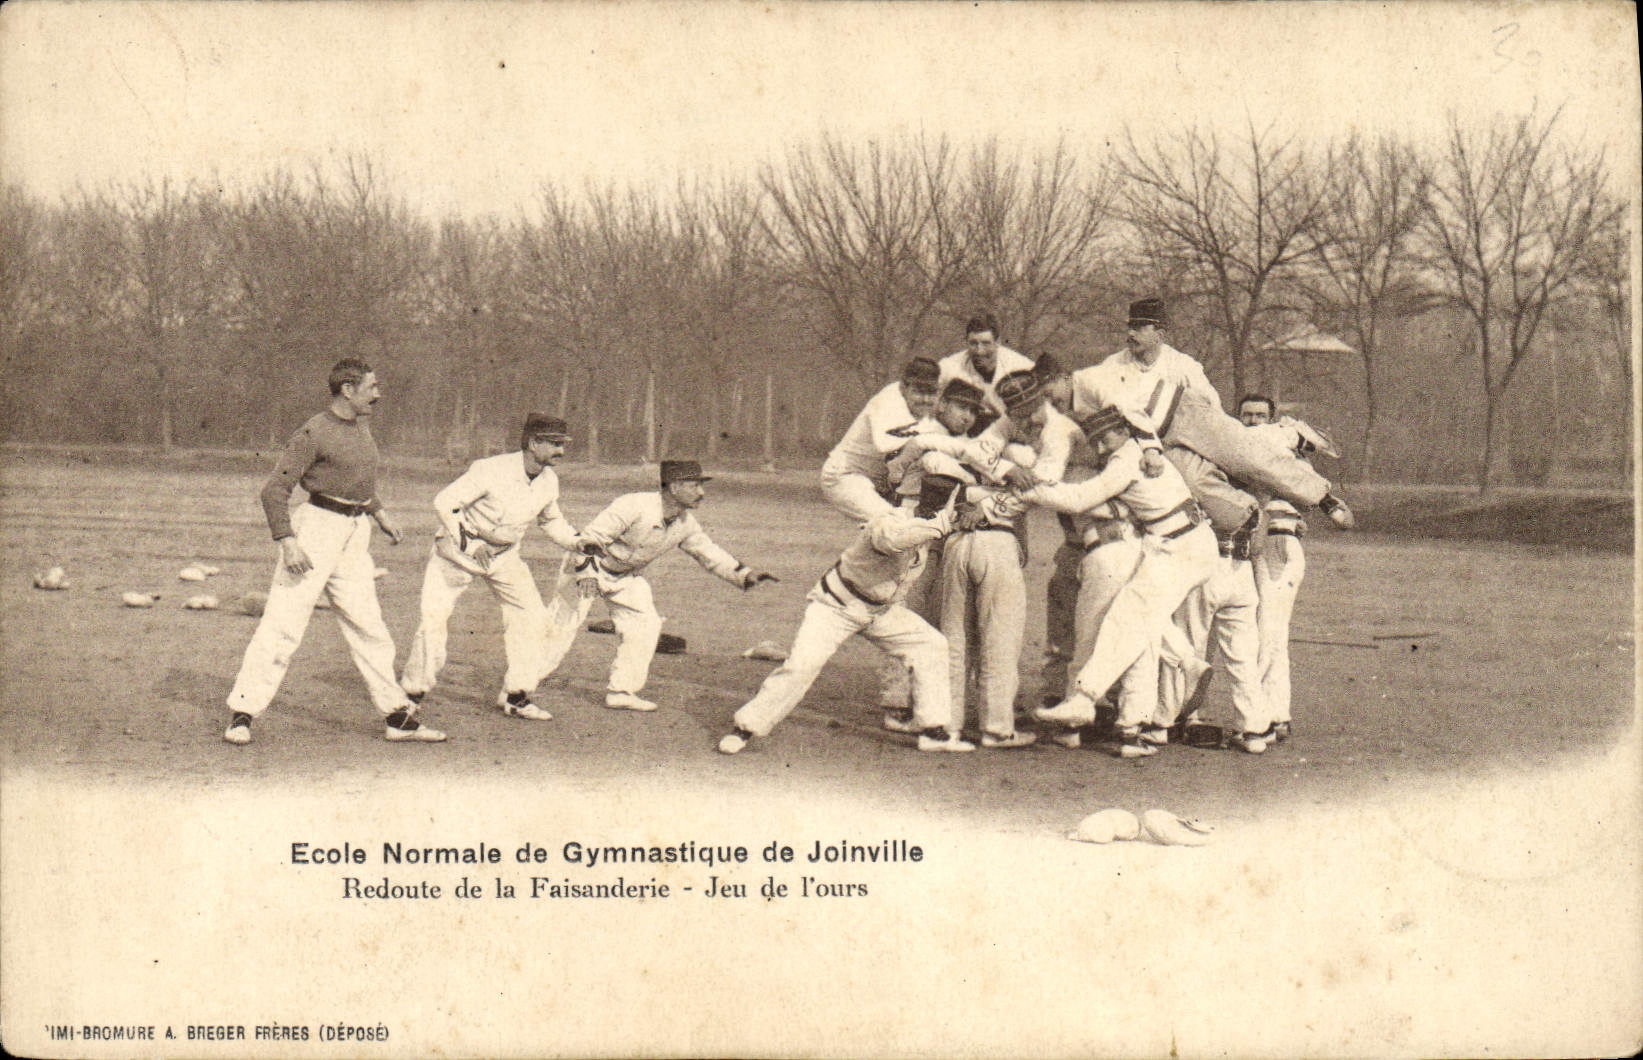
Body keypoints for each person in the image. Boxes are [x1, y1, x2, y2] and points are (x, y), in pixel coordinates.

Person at [223, 359, 441, 745]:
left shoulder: (362, 428)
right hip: (315, 531)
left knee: (369, 626)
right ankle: (243, 714)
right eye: (372, 387)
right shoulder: (314, 431)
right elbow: (273, 491)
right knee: (282, 626)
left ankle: (397, 717)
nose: (378, 393)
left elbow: (356, 481)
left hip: (354, 536)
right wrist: (288, 542)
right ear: (347, 390)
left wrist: (378, 512)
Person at [719, 475, 975, 755]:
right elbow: (891, 541)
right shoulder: (888, 519)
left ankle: (933, 732)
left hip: (879, 611)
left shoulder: (929, 528)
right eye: (940, 504)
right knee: (802, 666)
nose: (942, 510)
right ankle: (745, 728)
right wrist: (941, 524)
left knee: (930, 644)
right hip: (836, 606)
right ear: (924, 502)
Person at [1026, 405, 1218, 759]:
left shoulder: (1126, 460)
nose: (1100, 449)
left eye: (1104, 439)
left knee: (1126, 619)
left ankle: (1085, 699)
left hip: (1183, 545)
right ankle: (1186, 665)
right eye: (1095, 442)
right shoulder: (1138, 448)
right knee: (1135, 621)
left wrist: (1028, 491)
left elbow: (1081, 499)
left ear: (1121, 432)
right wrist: (1150, 445)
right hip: (1175, 542)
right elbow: (1139, 418)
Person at [1070, 298, 1354, 533]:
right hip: (1160, 443)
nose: (1131, 334)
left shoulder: (1181, 364)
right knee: (1194, 485)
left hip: (1189, 415)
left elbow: (1212, 406)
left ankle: (1323, 496)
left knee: (1248, 456)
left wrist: (1221, 446)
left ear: (1160, 334)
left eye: (1140, 327)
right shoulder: (1113, 365)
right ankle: (1251, 519)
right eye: (1130, 327)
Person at [398, 413, 580, 722]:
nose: (561, 451)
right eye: (555, 444)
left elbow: (552, 520)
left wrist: (580, 542)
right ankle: (411, 695)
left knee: (532, 617)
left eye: (562, 444)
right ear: (534, 443)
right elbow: (445, 501)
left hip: (505, 557)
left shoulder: (549, 480)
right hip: (456, 553)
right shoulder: (491, 469)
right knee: (434, 622)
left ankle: (516, 696)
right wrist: (471, 542)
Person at [565, 460, 775, 712]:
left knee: (646, 624)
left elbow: (708, 552)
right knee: (558, 630)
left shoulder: (686, 523)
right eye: (694, 486)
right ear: (674, 487)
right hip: (585, 568)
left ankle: (621, 691)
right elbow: (590, 538)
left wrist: (744, 575)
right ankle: (518, 689)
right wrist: (587, 573)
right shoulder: (633, 505)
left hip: (626, 577)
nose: (702, 493)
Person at [1239, 393, 1316, 743]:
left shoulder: (1284, 457)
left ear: (1272, 420)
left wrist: (1291, 515)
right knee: (1270, 634)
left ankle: (1263, 720)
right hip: (1252, 547)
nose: (1253, 421)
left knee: (1266, 633)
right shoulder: (1235, 452)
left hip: (1278, 544)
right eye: (1247, 415)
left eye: (1260, 416)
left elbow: (1309, 493)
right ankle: (1277, 715)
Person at [821, 357, 942, 523]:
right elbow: (888, 446)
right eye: (919, 391)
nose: (925, 399)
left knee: (904, 533)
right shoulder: (888, 402)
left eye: (931, 393)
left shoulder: (924, 410)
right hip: (847, 475)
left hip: (880, 482)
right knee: (894, 525)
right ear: (903, 387)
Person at [937, 312, 1037, 420]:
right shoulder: (952, 365)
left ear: (998, 342)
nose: (979, 351)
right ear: (966, 342)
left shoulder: (1020, 366)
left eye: (986, 343)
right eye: (973, 343)